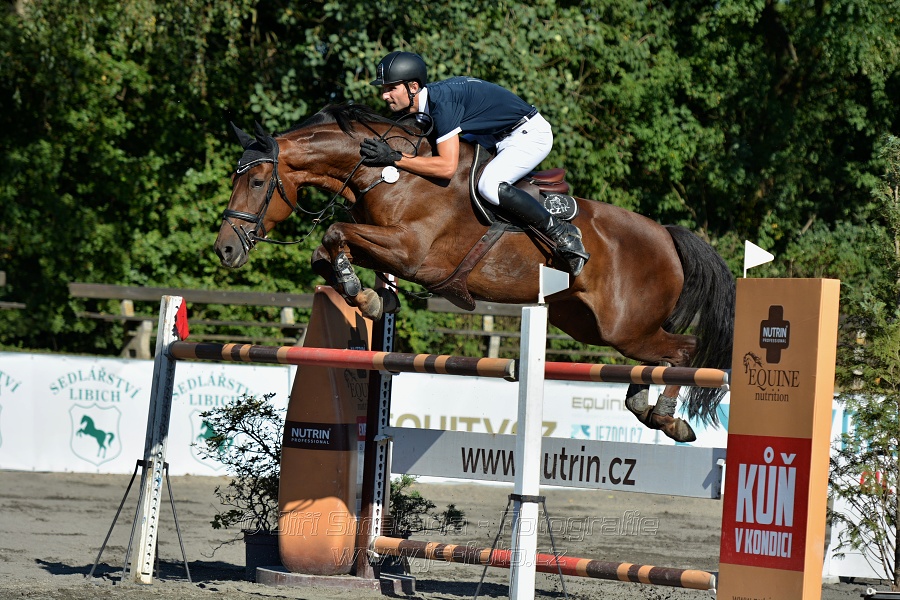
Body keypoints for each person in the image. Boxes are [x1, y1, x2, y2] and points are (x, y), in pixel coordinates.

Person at [360, 51, 589, 276]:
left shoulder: (442, 104)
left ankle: (562, 234)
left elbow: (447, 168)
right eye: (383, 89)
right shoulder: (428, 103)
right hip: (495, 135)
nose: (384, 96)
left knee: (488, 185)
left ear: (412, 87)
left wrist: (396, 158)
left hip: (528, 134)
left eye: (391, 88)